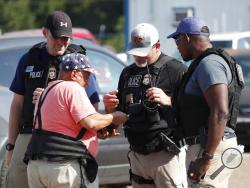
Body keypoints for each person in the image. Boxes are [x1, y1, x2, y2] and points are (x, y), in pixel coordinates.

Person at [5, 11, 100, 188]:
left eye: (66, 38)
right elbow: (17, 104)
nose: (61, 43)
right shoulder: (29, 59)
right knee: (15, 181)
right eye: (57, 37)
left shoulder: (78, 62)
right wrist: (11, 145)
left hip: (63, 139)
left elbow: (92, 104)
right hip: (28, 134)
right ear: (45, 32)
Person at [24, 52, 128, 188]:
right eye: (86, 76)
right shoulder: (72, 87)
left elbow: (63, 128)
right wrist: (114, 116)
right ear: (74, 74)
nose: (88, 82)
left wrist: (100, 130)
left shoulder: (46, 91)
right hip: (63, 167)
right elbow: (92, 122)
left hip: (36, 167)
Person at [103, 23, 188, 188]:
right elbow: (121, 114)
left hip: (167, 154)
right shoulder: (127, 73)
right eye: (135, 53)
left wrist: (169, 101)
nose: (138, 57)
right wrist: (110, 108)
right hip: (137, 153)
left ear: (157, 46)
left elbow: (193, 110)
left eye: (143, 53)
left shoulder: (176, 70)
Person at [167, 16, 244, 187]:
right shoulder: (206, 62)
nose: (177, 46)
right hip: (209, 144)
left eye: (177, 40)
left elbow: (220, 112)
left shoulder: (209, 64)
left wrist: (207, 157)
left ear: (187, 38)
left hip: (210, 147)